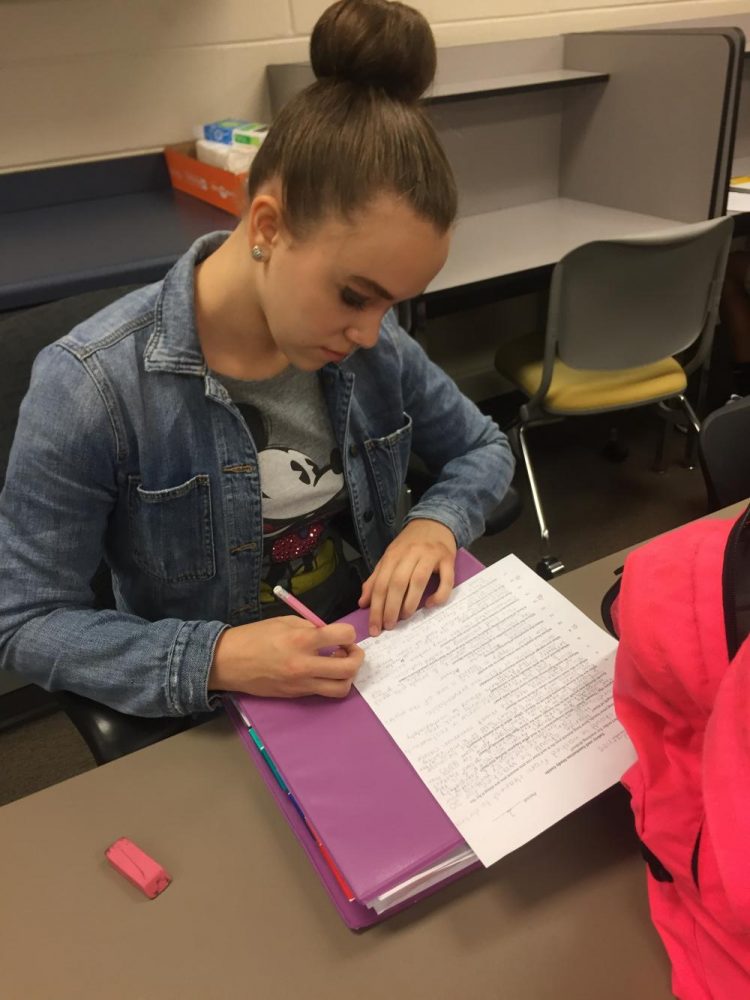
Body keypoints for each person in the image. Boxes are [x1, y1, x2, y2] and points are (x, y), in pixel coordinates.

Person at [0, 0, 513, 718]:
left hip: (376, 669)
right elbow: (24, 622)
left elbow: (483, 450)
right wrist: (216, 658)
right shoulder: (92, 388)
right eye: (353, 296)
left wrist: (437, 523)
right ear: (268, 226)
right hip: (218, 709)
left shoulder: (371, 345)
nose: (370, 333)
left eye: (390, 305)